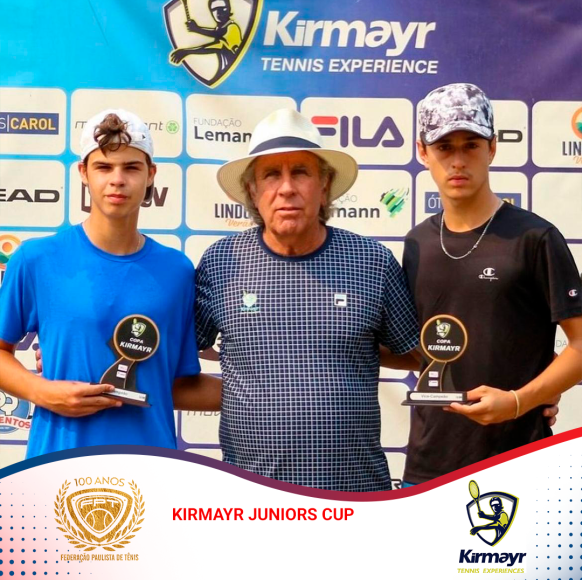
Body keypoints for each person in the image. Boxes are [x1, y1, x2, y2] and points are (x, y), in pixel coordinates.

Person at [195, 108, 420, 492]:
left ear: (325, 185)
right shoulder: (221, 263)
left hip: (357, 497)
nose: (286, 188)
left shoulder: (372, 262)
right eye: (271, 175)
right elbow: (175, 359)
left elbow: (423, 356)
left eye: (300, 172)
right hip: (253, 503)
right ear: (252, 190)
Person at [0, 109, 218, 458]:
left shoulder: (177, 270)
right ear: (83, 173)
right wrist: (43, 393)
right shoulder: (36, 259)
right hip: (57, 463)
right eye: (104, 167)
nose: (117, 180)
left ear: (151, 174)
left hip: (152, 465)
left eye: (131, 167)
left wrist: (271, 396)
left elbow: (174, 383)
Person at [402, 83, 582, 485]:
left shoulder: (535, 238)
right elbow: (421, 350)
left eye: (471, 145)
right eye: (444, 147)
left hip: (517, 466)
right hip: (427, 468)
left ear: (493, 149)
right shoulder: (417, 243)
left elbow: (580, 345)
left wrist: (520, 401)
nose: (458, 161)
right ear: (423, 152)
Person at [170, 0, 242, 76]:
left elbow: (219, 45)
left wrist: (188, 51)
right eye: (214, 9)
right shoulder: (221, 28)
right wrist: (197, 29)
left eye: (222, 8)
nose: (218, 12)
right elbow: (216, 32)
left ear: (228, 9)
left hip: (237, 74)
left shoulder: (232, 27)